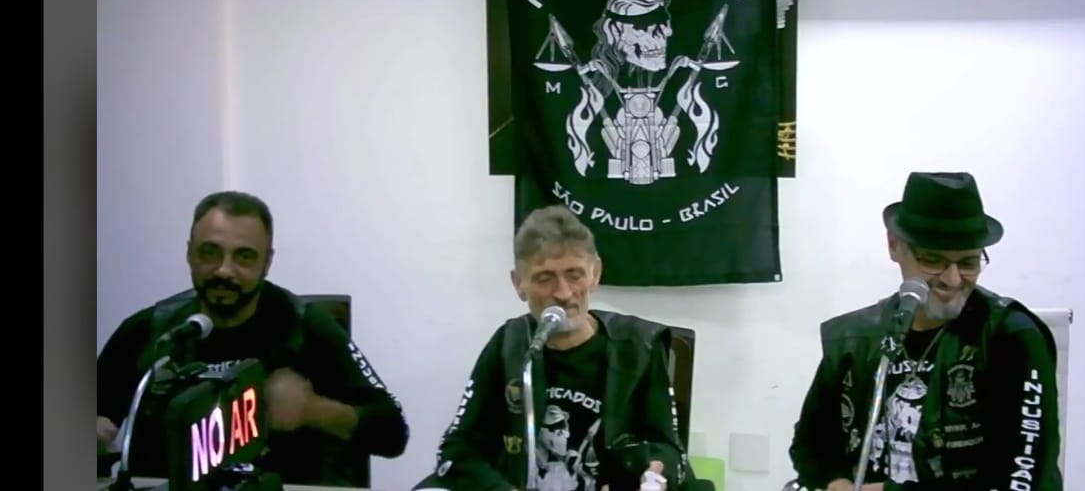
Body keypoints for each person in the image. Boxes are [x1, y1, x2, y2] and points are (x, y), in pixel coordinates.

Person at [96, 190, 410, 486]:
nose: (224, 270)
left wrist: (314, 410)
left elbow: (393, 433)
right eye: (210, 252)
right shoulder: (150, 332)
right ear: (189, 253)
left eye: (244, 256)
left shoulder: (306, 327)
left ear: (267, 262)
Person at [789, 172, 1063, 491]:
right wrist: (838, 485)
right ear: (894, 246)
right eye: (932, 260)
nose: (952, 280)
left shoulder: (1011, 336)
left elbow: (1026, 477)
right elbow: (811, 445)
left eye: (968, 263)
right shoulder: (854, 338)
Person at [414, 204, 691, 491]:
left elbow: (670, 451)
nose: (563, 293)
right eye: (545, 278)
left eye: (575, 275)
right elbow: (457, 448)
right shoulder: (510, 345)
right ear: (519, 284)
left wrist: (654, 476)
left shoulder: (639, 347)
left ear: (595, 273)